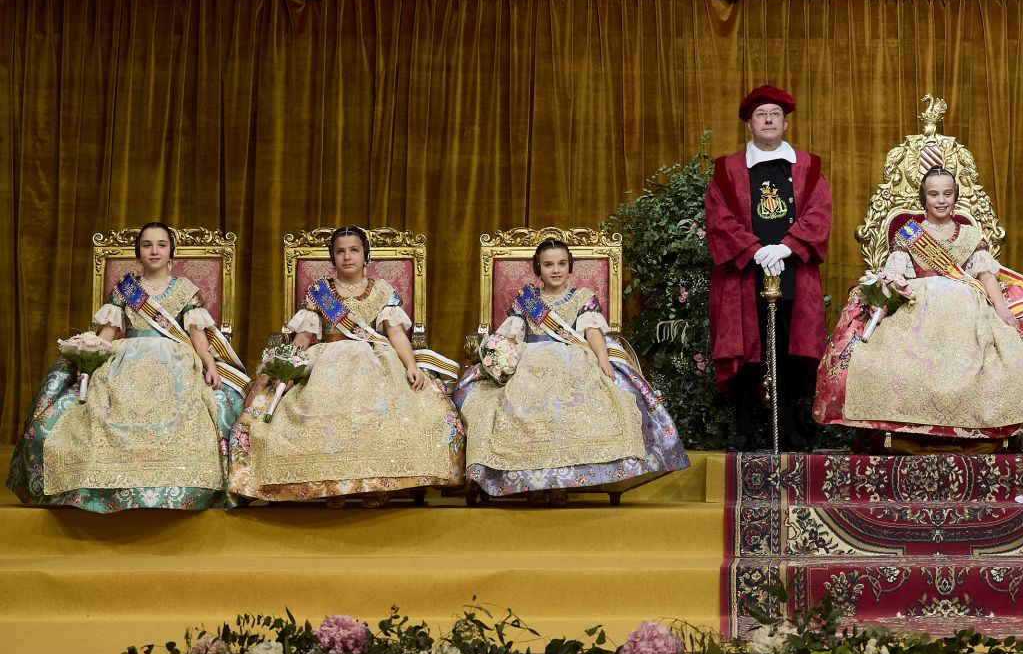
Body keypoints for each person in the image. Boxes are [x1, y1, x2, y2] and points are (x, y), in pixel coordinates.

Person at [814, 167, 1023, 446]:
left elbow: (985, 275)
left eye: (947, 194)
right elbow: (896, 274)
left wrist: (1003, 311)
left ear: (955, 197)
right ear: (923, 198)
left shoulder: (970, 235)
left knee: (1008, 352)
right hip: (918, 305)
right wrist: (885, 295)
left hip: (966, 307)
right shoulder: (909, 233)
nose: (941, 200)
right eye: (934, 194)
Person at [8, 222, 247, 511]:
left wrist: (209, 364)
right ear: (138, 252)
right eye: (147, 244)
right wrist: (89, 360)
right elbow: (106, 335)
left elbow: (198, 336)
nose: (154, 250)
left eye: (161, 244)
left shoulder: (185, 290)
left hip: (175, 360)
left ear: (171, 251)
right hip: (125, 358)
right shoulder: (125, 290)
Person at [226, 226, 464, 504]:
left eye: (354, 250)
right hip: (326, 359)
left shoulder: (383, 291)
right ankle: (330, 485)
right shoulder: (319, 293)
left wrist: (410, 365)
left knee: (392, 412)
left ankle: (376, 484)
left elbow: (396, 333)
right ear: (332, 256)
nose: (347, 256)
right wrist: (283, 366)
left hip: (373, 360)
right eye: (340, 251)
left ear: (366, 255)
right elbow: (304, 336)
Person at [453, 237, 687, 500]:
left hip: (573, 359)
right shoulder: (527, 300)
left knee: (576, 406)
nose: (556, 270)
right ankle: (533, 483)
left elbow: (592, 332)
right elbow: (512, 333)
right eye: (548, 265)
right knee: (514, 406)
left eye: (562, 264)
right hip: (531, 360)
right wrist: (499, 358)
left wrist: (602, 359)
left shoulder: (583, 297)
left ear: (570, 267)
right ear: (538, 269)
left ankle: (561, 484)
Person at [705, 85, 833, 451]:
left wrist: (786, 247)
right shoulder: (728, 169)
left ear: (785, 123)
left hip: (794, 271)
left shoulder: (808, 166)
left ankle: (791, 428)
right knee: (747, 352)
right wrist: (755, 250)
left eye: (774, 114)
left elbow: (819, 211)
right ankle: (744, 429)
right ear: (749, 124)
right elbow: (719, 217)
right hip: (744, 274)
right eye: (760, 115)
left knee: (790, 352)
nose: (768, 120)